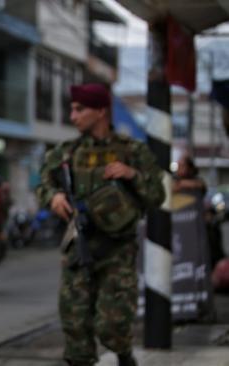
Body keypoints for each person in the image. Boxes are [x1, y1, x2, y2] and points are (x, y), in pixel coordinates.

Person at [36, 83, 165, 366]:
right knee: (75, 322)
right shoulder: (66, 153)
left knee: (113, 325)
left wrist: (132, 175)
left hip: (118, 249)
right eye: (72, 109)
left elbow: (158, 195)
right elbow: (43, 182)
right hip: (78, 245)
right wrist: (53, 196)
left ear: (101, 111)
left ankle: (124, 354)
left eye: (79, 109)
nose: (73, 116)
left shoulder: (131, 150)